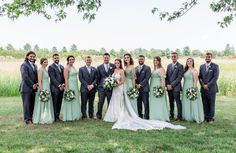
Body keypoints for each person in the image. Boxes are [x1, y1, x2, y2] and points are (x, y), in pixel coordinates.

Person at [104, 55, 186, 131]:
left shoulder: (134, 67)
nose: (126, 59)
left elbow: (135, 78)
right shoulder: (126, 67)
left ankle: (141, 115)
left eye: (128, 58)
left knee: (139, 101)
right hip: (124, 86)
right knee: (124, 101)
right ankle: (123, 114)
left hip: (130, 85)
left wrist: (133, 87)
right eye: (125, 58)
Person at [199, 53, 219, 124]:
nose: (207, 58)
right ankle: (206, 118)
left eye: (209, 57)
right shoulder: (201, 66)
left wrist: (208, 85)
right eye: (206, 57)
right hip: (203, 88)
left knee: (211, 104)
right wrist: (203, 85)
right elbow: (200, 77)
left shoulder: (215, 66)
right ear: (205, 58)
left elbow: (215, 77)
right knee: (205, 104)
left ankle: (211, 119)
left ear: (211, 58)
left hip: (211, 88)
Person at [182, 58, 204, 123]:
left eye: (190, 61)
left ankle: (194, 116)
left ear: (193, 62)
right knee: (186, 101)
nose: (189, 62)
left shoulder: (194, 71)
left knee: (192, 102)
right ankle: (187, 116)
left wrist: (193, 90)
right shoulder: (186, 70)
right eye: (188, 61)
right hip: (185, 86)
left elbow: (195, 81)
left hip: (191, 87)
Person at [33, 58, 54, 124]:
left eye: (47, 62)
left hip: (47, 87)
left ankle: (47, 117)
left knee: (47, 102)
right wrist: (42, 91)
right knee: (42, 102)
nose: (46, 63)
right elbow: (39, 81)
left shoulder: (45, 70)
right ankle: (41, 118)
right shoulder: (40, 70)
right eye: (44, 62)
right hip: (43, 87)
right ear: (41, 63)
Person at [19, 51, 38, 125]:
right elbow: (25, 77)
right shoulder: (24, 65)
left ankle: (31, 118)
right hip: (26, 88)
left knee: (32, 104)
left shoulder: (35, 65)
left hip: (33, 88)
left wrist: (36, 84)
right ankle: (27, 120)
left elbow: (35, 76)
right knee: (26, 105)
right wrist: (32, 84)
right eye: (31, 56)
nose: (32, 58)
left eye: (34, 56)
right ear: (27, 57)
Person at [149, 56, 169, 121]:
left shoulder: (161, 69)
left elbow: (163, 80)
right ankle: (154, 116)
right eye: (154, 60)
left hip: (158, 86)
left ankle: (160, 116)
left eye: (156, 60)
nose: (155, 62)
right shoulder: (153, 69)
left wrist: (161, 89)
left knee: (159, 101)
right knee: (153, 101)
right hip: (152, 86)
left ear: (159, 61)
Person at [96, 53, 115, 120]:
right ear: (103, 58)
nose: (106, 59)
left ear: (109, 58)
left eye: (107, 57)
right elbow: (98, 78)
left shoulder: (113, 66)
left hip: (110, 88)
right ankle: (99, 116)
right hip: (101, 88)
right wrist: (98, 87)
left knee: (110, 102)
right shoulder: (99, 67)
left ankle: (109, 116)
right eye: (105, 57)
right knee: (100, 102)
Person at [166, 52, 183, 121]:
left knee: (178, 101)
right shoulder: (169, 66)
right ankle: (171, 115)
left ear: (177, 57)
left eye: (175, 56)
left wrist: (172, 85)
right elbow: (167, 76)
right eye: (172, 56)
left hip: (176, 87)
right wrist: (167, 84)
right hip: (169, 87)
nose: (173, 58)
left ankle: (179, 116)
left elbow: (179, 78)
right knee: (171, 101)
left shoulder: (180, 66)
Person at [63, 55, 81, 121]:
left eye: (72, 59)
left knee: (75, 99)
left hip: (75, 85)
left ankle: (75, 115)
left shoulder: (73, 67)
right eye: (70, 59)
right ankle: (69, 116)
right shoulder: (66, 68)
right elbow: (66, 79)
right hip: (70, 85)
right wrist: (67, 89)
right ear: (68, 60)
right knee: (70, 99)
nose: (71, 61)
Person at [48, 53, 65, 122]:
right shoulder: (51, 67)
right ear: (52, 59)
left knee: (59, 102)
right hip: (55, 88)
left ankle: (57, 116)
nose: (56, 59)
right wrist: (59, 85)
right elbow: (52, 78)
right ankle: (54, 117)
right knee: (55, 102)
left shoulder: (61, 66)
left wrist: (63, 85)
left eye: (57, 58)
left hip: (62, 88)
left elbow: (64, 77)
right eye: (55, 58)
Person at [136, 55, 151, 119]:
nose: (140, 60)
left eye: (142, 59)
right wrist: (136, 84)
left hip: (144, 89)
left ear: (144, 60)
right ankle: (140, 115)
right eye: (139, 59)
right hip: (137, 89)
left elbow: (147, 78)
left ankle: (146, 116)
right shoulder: (135, 68)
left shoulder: (147, 68)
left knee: (146, 103)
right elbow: (134, 78)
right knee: (138, 103)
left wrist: (140, 85)